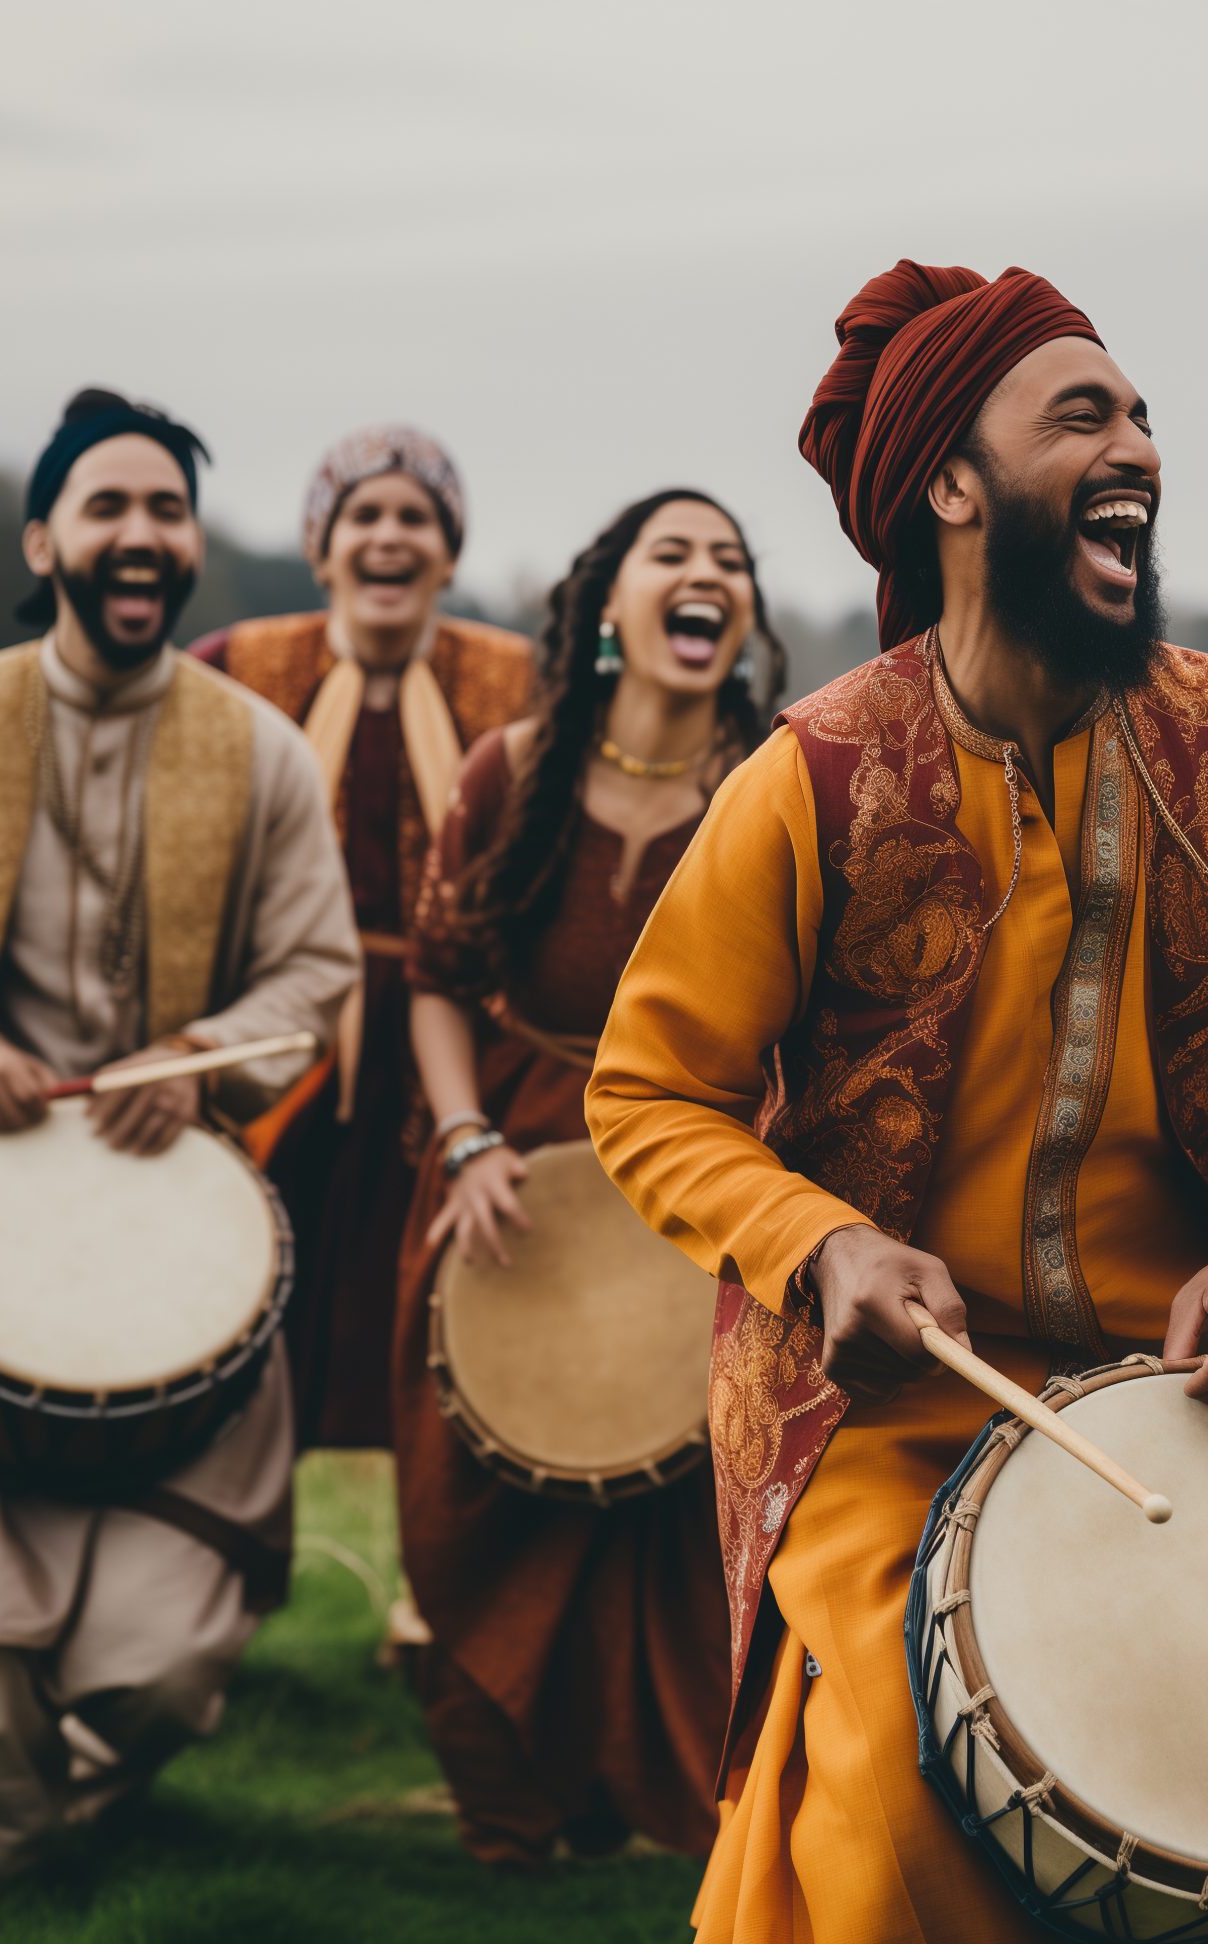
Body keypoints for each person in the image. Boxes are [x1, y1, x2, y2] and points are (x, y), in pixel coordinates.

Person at [586, 260, 1208, 1942]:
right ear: (954, 487)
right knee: (904, 1807)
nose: (1138, 447)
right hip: (892, 1407)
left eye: (1143, 416)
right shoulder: (814, 774)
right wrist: (822, 1242)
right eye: (1083, 415)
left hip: (1198, 1387)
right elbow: (654, 1088)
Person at [0, 388, 360, 1880]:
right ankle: (26, 1859)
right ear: (43, 540)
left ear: (191, 547)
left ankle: (30, 1817)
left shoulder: (261, 756)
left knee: (163, 1674)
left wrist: (194, 1061)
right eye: (107, 505)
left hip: (180, 1226)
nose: (141, 533)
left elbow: (316, 976)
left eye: (167, 509)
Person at [391, 488, 784, 1868]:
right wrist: (463, 1140)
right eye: (670, 552)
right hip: (503, 1165)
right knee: (474, 1500)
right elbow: (437, 983)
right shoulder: (508, 773)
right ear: (609, 603)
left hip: (702, 1176)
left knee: (677, 1520)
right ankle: (514, 1797)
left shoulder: (772, 787)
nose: (705, 572)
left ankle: (668, 1798)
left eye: (729, 559)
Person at [190, 426, 532, 1450]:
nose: (389, 536)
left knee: (450, 1302)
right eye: (364, 516)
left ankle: (436, 1533)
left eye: (415, 518)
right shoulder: (234, 667)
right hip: (281, 1029)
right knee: (251, 1287)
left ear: (449, 552)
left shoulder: (519, 680)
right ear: (321, 547)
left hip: (454, 1029)